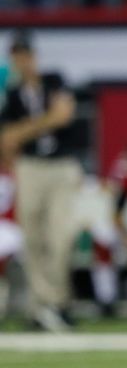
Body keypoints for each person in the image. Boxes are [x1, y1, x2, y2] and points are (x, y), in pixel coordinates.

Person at [0, 30, 81, 331]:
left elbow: (65, 116)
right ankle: (40, 305)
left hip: (61, 165)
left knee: (61, 237)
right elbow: (7, 138)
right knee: (32, 238)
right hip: (31, 166)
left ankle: (57, 302)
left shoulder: (54, 80)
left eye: (25, 55)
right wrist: (45, 121)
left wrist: (26, 129)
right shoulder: (13, 94)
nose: (22, 61)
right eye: (17, 56)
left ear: (33, 56)